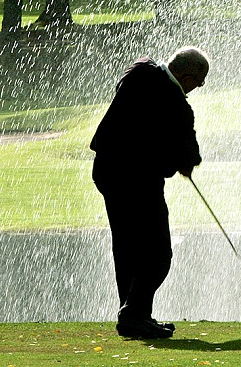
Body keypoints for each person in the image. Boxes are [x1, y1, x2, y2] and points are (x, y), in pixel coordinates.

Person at [90, 46, 210, 339]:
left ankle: (132, 316)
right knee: (158, 254)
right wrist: (186, 162)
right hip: (137, 181)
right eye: (199, 82)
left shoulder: (140, 71)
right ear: (187, 76)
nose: (196, 89)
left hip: (107, 171)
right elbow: (188, 155)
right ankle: (134, 314)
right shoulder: (178, 106)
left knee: (127, 248)